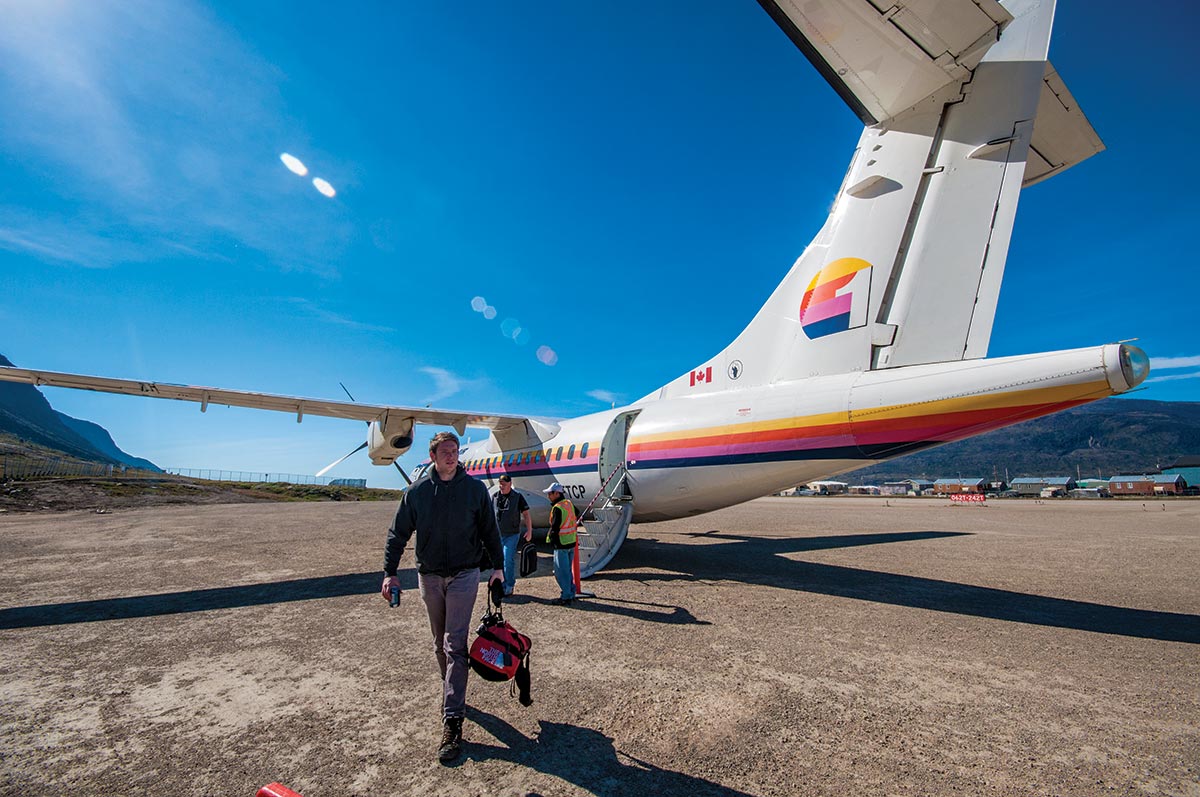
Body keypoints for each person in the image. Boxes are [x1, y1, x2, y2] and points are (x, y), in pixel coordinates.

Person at [381, 431, 504, 764]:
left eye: (455, 451)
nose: (452, 456)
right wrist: (390, 572)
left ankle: (452, 720)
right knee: (439, 643)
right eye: (445, 452)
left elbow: (490, 531)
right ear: (433, 456)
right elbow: (398, 534)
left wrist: (497, 567)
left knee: (456, 644)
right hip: (430, 576)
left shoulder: (475, 490)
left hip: (465, 574)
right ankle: (451, 682)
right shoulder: (417, 493)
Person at [493, 474, 533, 597]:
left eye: (504, 484)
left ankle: (509, 585)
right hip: (498, 534)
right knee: (499, 561)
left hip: (512, 534)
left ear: (510, 484)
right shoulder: (495, 497)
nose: (501, 486)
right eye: (500, 484)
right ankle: (502, 583)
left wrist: (529, 531)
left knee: (507, 559)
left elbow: (526, 514)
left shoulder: (517, 497)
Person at [542, 482, 578, 605]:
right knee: (567, 571)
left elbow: (555, 527)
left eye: (550, 493)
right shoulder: (569, 504)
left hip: (561, 544)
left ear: (557, 493)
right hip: (571, 542)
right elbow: (576, 513)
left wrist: (551, 539)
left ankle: (566, 596)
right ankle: (571, 592)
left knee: (561, 572)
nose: (548, 496)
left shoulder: (557, 507)